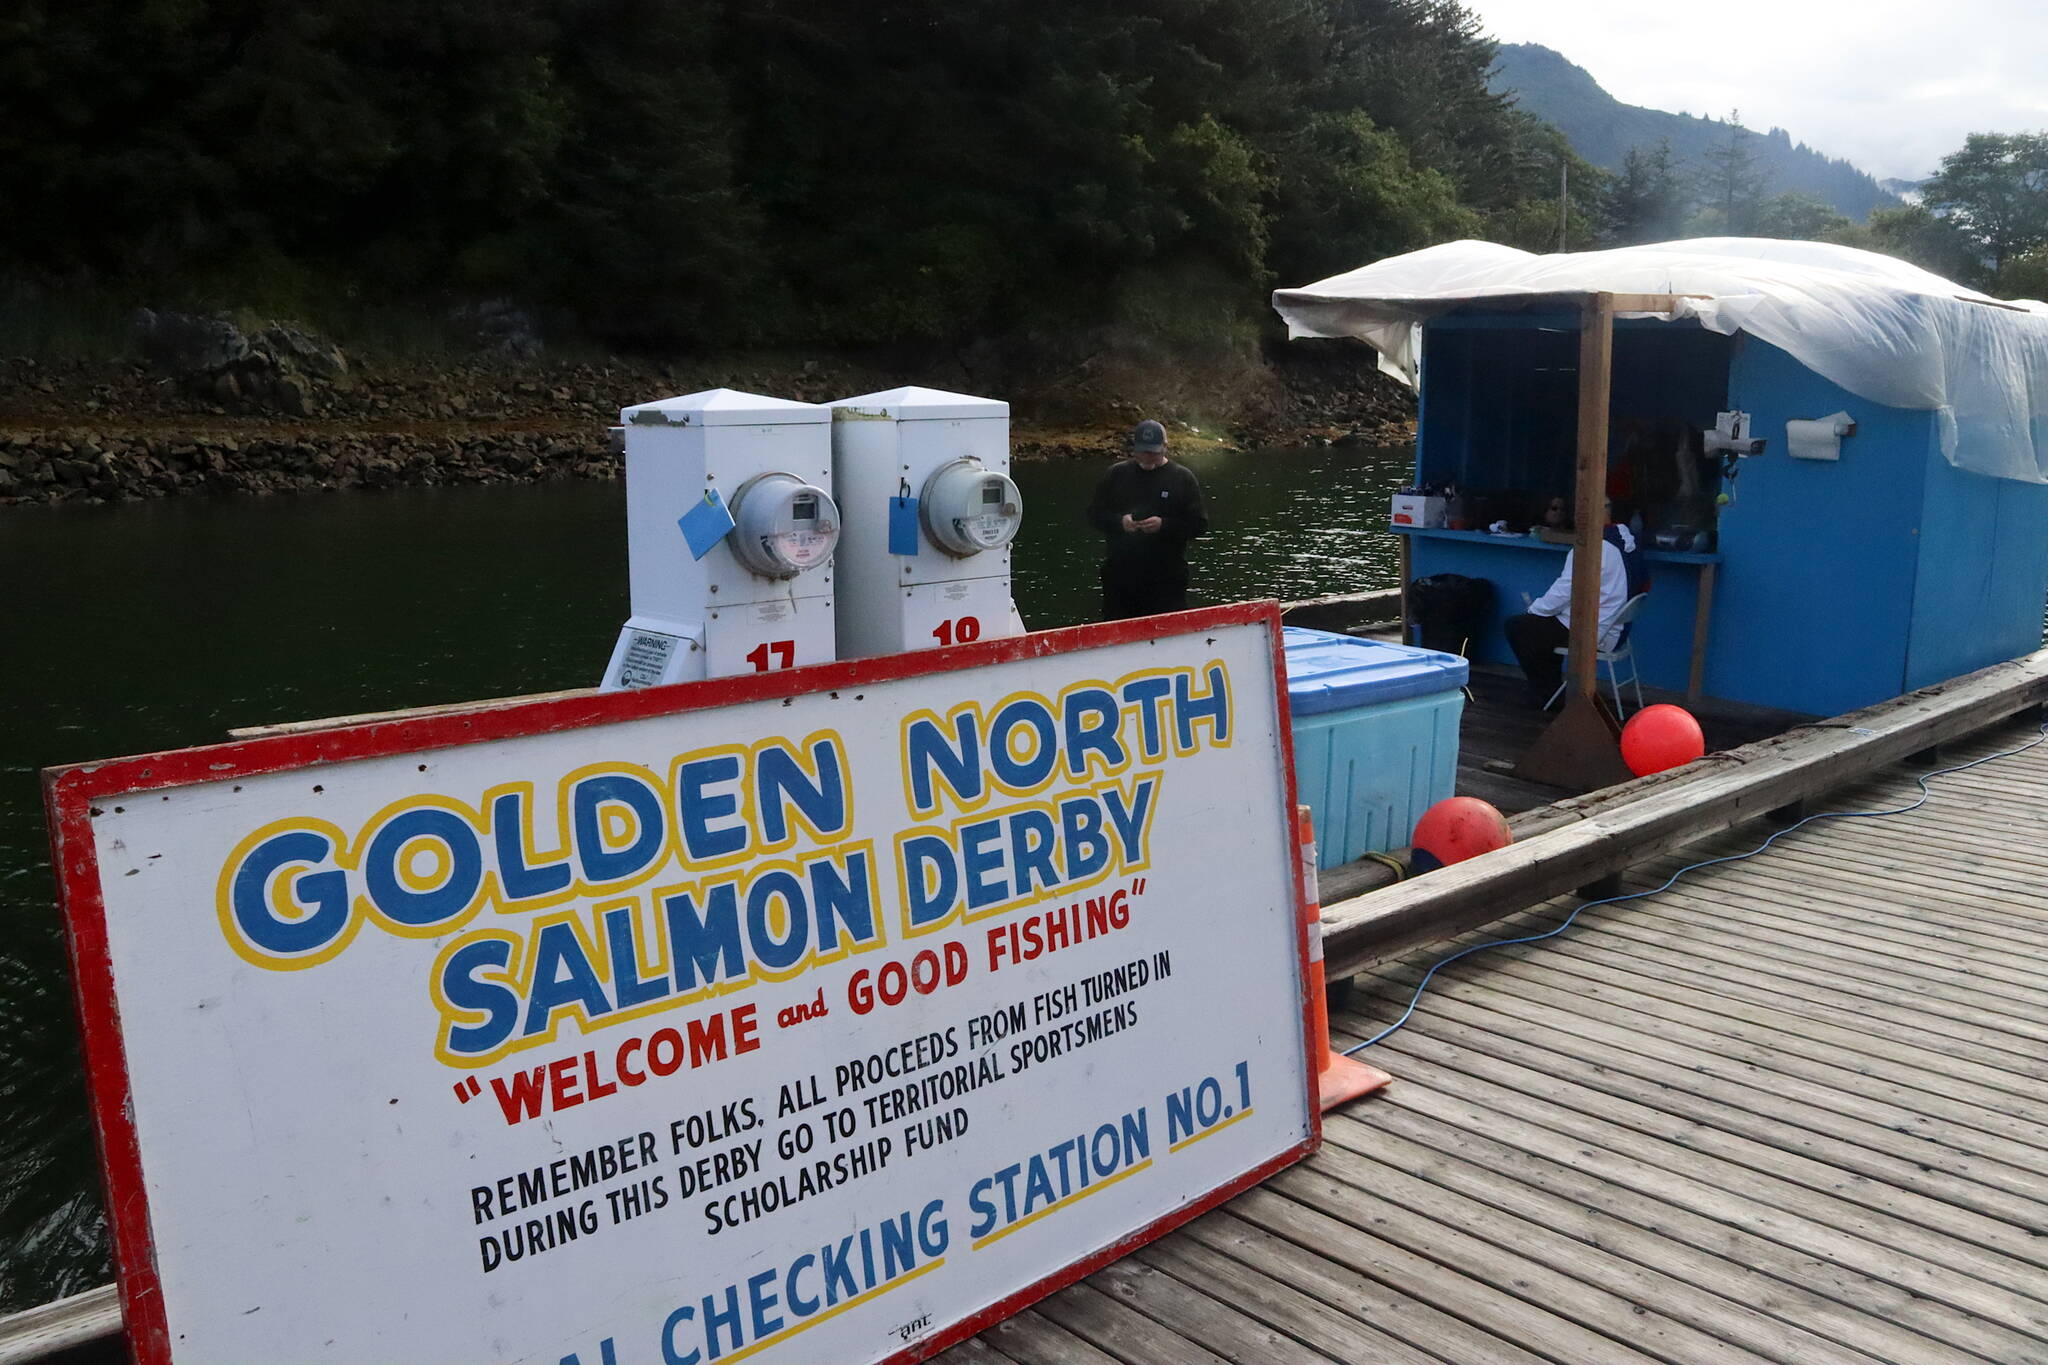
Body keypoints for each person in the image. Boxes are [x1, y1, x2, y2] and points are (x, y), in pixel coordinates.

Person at [1503, 503, 1646, 707]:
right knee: (1543, 628)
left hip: (1595, 632)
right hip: (1617, 629)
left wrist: (1534, 609)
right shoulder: (1626, 539)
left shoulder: (1592, 547)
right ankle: (1552, 690)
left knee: (1518, 626)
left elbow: (1564, 591)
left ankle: (1547, 694)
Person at [1087, 419, 1209, 620]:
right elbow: (1094, 515)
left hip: (1167, 581)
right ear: (1134, 449)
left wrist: (1164, 525)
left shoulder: (1182, 478)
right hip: (1120, 580)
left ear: (1165, 448)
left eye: (1154, 452)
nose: (1148, 457)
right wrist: (1120, 522)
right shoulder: (1116, 474)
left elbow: (1199, 525)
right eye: (1143, 452)